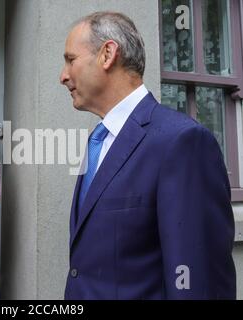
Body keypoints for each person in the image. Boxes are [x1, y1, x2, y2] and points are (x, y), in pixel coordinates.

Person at [60, 11, 236, 299]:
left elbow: (198, 280)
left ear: (107, 54)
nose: (63, 76)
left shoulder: (182, 141)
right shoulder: (98, 141)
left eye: (70, 59)